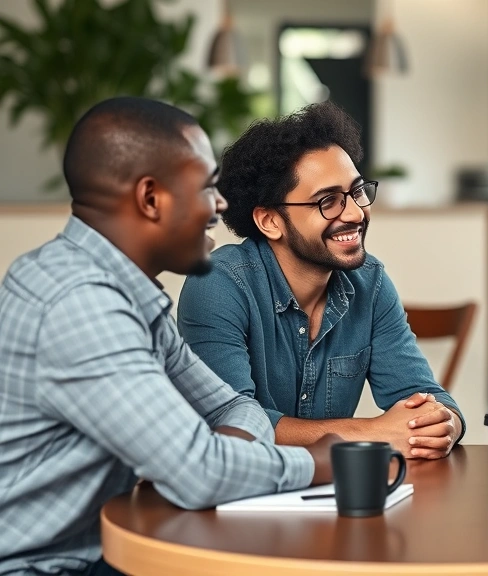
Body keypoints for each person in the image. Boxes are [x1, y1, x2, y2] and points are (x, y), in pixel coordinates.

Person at [0, 97, 339, 576]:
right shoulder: (80, 304)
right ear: (151, 198)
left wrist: (228, 457)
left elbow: (230, 408)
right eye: (206, 188)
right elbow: (199, 473)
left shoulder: (128, 294)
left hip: (100, 552)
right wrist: (321, 462)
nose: (220, 206)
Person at [177, 101, 464, 459]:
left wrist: (444, 423)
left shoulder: (369, 282)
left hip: (335, 498)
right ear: (270, 221)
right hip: (240, 503)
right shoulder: (219, 285)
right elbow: (229, 424)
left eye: (357, 192)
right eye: (328, 201)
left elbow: (423, 394)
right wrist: (371, 433)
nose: (356, 213)